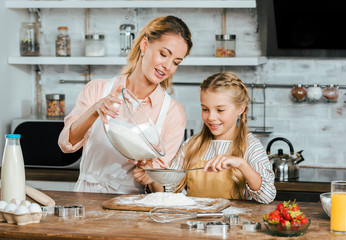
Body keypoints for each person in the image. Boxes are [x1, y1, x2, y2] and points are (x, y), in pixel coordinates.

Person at [58, 15, 193, 194]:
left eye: (176, 62)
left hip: (130, 208)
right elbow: (66, 144)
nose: (167, 66)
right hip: (85, 197)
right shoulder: (98, 89)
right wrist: (95, 110)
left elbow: (160, 189)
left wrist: (149, 175)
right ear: (145, 45)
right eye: (163, 54)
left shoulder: (173, 113)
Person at [135, 72, 276, 204]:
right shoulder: (191, 145)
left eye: (220, 110)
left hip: (234, 228)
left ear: (241, 109)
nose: (211, 117)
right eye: (205, 109)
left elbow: (267, 196)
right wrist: (152, 178)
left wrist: (241, 164)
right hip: (195, 227)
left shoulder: (251, 147)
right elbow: (169, 192)